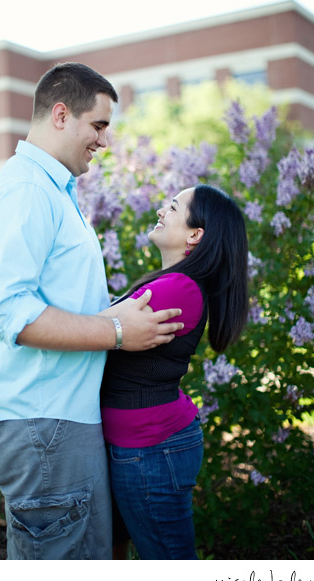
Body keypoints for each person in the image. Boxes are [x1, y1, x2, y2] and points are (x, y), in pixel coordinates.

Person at [0, 62, 186, 560]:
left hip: (55, 419)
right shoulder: (25, 191)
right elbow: (7, 313)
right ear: (61, 114)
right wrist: (116, 330)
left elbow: (49, 301)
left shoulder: (52, 191)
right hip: (41, 422)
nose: (104, 141)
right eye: (99, 125)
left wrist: (122, 315)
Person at [102, 184, 248, 560]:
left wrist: (33, 322)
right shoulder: (172, 283)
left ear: (195, 234)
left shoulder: (177, 289)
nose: (162, 211)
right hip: (142, 446)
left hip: (151, 451)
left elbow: (90, 329)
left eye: (172, 207)